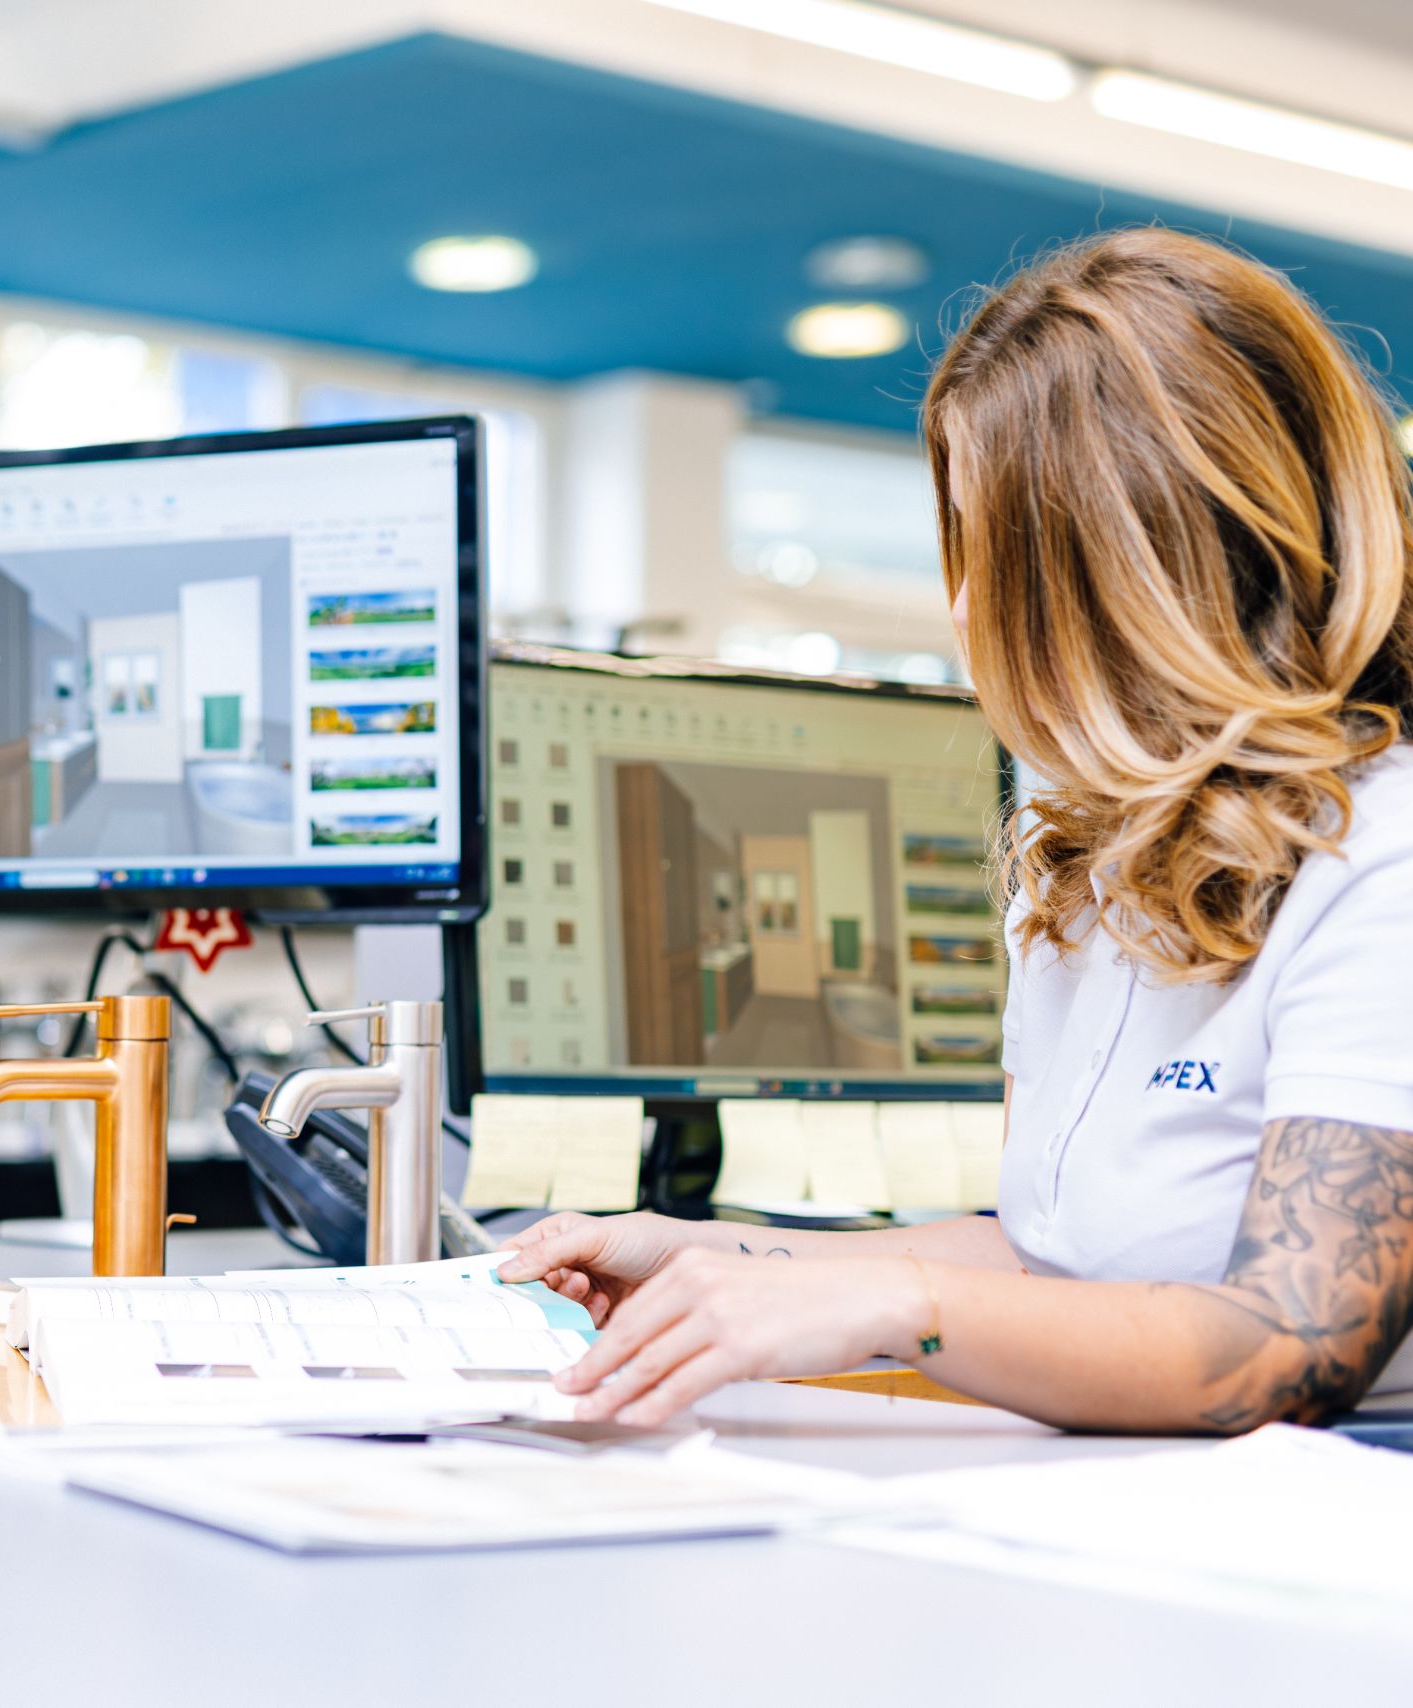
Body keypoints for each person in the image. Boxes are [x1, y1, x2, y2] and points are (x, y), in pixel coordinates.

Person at [499, 227, 1413, 1432]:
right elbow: (1050, 1266)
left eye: (992, 550)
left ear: (1135, 568)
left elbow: (1291, 1345)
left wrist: (898, 1303)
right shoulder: (1093, 861)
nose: (965, 605)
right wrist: (707, 1258)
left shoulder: (1382, 856)